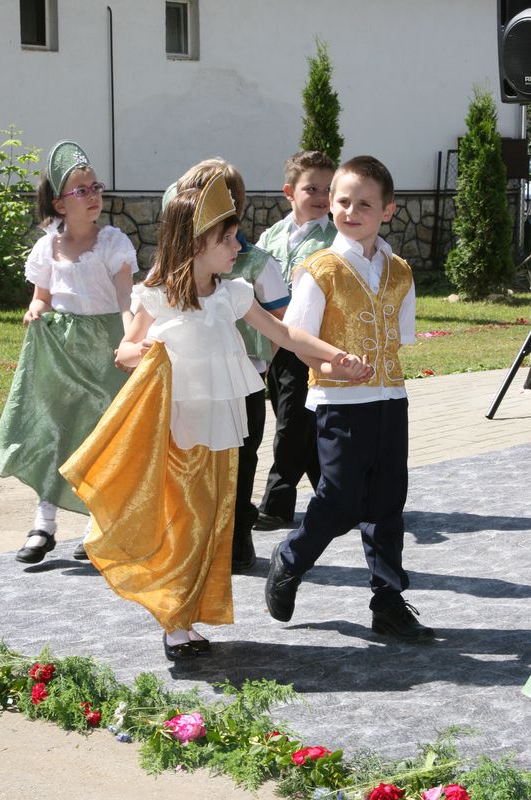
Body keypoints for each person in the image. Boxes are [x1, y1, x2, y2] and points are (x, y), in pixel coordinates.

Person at [60, 173, 372, 662]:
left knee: (210, 520)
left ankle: (185, 613)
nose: (237, 246)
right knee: (185, 520)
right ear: (194, 243)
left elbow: (286, 334)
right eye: (226, 239)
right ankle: (175, 621)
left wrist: (335, 356)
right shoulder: (159, 295)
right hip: (175, 428)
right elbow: (124, 353)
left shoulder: (233, 293)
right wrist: (147, 349)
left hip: (222, 428)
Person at [265, 155, 435, 642]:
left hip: (390, 399)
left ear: (388, 211)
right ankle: (291, 558)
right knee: (339, 500)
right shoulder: (320, 269)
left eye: (364, 204)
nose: (350, 211)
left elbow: (399, 337)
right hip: (340, 403)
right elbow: (297, 337)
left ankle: (388, 601)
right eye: (343, 201)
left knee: (388, 501)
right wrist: (330, 363)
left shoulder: (400, 271)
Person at [0, 140, 137, 564]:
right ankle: (44, 524)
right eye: (82, 190)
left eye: (96, 187)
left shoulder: (112, 243)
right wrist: (35, 311)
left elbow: (126, 299)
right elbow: (42, 297)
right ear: (60, 204)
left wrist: (130, 339)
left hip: (105, 350)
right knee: (55, 432)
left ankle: (97, 525)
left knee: (99, 438)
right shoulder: (47, 248)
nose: (93, 196)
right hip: (60, 353)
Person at [175, 158, 290, 573]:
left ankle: (239, 536)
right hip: (192, 385)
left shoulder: (254, 263)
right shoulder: (176, 270)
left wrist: (263, 362)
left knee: (241, 460)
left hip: (244, 380)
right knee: (195, 461)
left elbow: (282, 321)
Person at [253, 150, 337, 531]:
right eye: (311, 189)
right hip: (274, 339)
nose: (321, 197)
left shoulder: (335, 238)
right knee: (300, 422)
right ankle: (336, 496)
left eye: (328, 190)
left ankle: (277, 503)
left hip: (310, 340)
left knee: (292, 422)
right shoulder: (272, 236)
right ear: (289, 192)